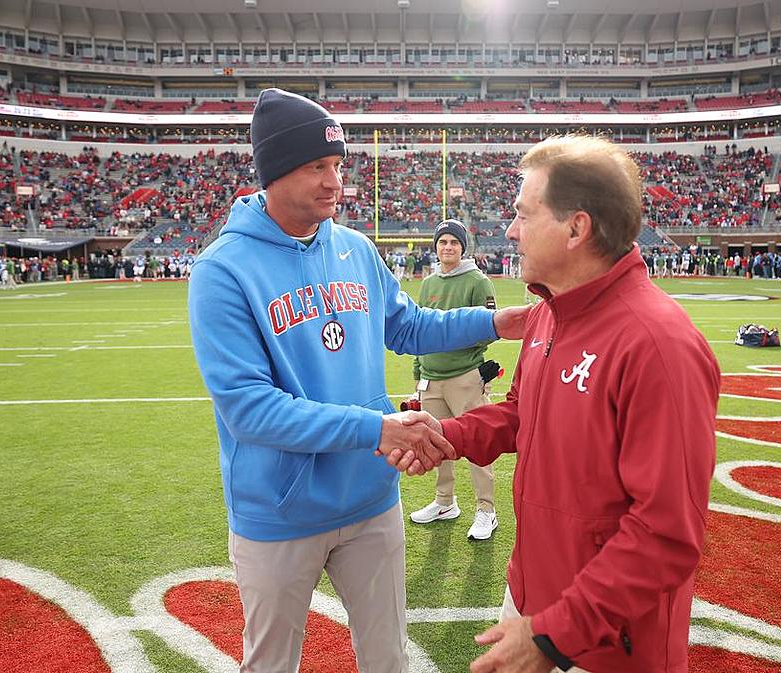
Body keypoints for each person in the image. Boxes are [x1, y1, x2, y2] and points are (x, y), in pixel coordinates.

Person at [187, 88, 528, 673]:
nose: (332, 181)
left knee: (387, 658)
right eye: (315, 166)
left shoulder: (355, 248)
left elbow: (409, 325)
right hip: (279, 511)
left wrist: (498, 321)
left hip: (370, 499)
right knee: (270, 664)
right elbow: (249, 410)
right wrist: (377, 429)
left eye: (337, 166)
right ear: (273, 172)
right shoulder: (222, 270)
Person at [393, 134, 720, 673]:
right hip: (532, 595)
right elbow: (522, 414)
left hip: (607, 641)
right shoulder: (549, 311)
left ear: (577, 228)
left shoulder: (659, 345)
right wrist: (445, 435)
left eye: (524, 214)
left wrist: (552, 636)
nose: (510, 230)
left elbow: (666, 533)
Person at [409, 219, 499, 541]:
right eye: (443, 242)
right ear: (436, 247)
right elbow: (419, 330)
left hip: (464, 375)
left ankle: (486, 510)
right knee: (437, 443)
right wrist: (419, 372)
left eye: (453, 242)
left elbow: (489, 327)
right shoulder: (428, 283)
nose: (448, 247)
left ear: (463, 247)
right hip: (432, 378)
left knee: (477, 443)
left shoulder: (477, 281)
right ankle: (445, 502)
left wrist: (454, 344)